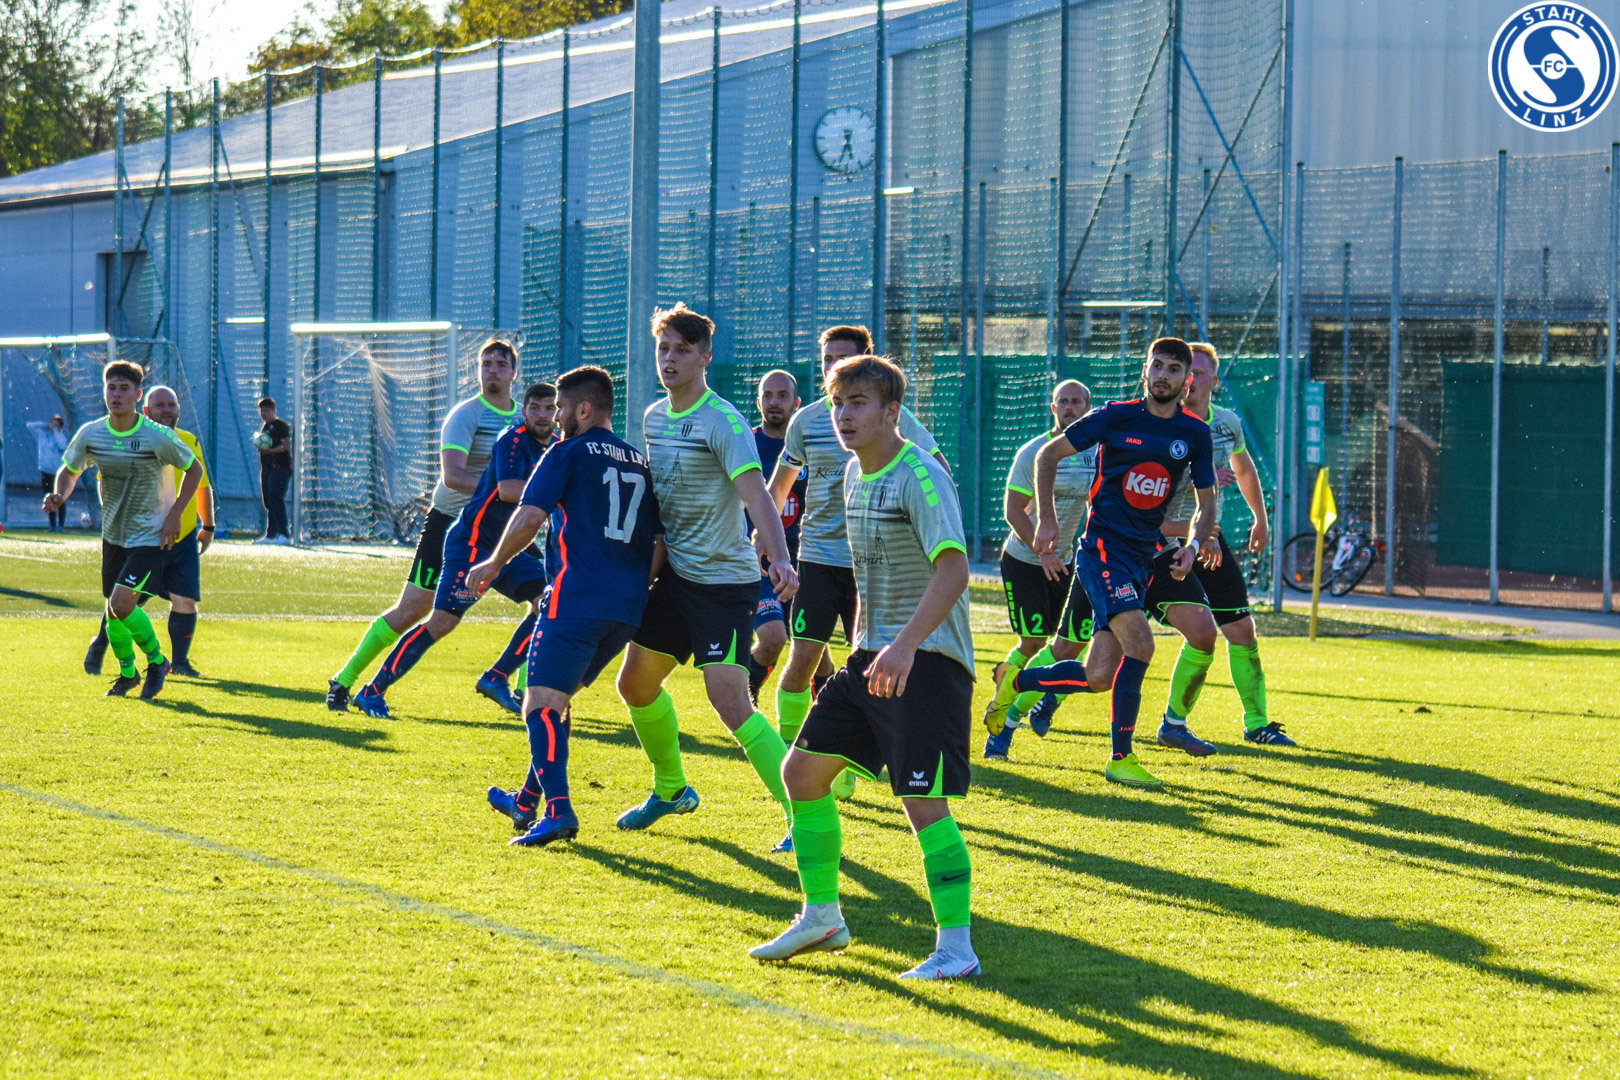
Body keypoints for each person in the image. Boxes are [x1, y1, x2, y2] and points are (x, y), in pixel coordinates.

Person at [750, 354, 979, 980]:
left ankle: (956, 950)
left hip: (927, 661)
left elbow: (954, 570)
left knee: (923, 804)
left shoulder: (920, 474)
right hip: (870, 658)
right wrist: (865, 642)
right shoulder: (853, 473)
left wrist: (902, 646)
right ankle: (822, 916)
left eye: (858, 403)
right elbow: (869, 570)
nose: (843, 415)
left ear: (890, 412)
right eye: (837, 403)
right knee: (801, 774)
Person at [982, 337, 1216, 791]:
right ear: (1145, 371)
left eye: (1173, 369)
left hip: (1145, 556)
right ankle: (1120, 758)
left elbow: (1207, 505)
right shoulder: (1115, 416)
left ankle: (1017, 682)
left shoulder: (1195, 433)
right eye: (1157, 366)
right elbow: (1048, 455)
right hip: (1103, 551)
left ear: (1187, 381)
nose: (1163, 375)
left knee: (1098, 676)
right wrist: (1047, 519)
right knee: (1141, 645)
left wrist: (1191, 546)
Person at [612, 303, 799, 843]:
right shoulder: (653, 417)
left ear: (705, 358)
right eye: (663, 348)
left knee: (731, 702)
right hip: (678, 577)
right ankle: (672, 789)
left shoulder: (723, 421)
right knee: (635, 685)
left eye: (682, 349)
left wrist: (779, 557)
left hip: (723, 581)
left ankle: (805, 816)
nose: (669, 358)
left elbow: (757, 495)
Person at [475, 366, 664, 847]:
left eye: (560, 408)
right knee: (558, 700)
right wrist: (635, 586)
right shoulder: (639, 462)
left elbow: (529, 516)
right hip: (627, 606)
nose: (556, 418)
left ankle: (558, 812)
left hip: (576, 596)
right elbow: (659, 541)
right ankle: (525, 802)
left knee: (538, 705)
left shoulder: (565, 452)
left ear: (583, 409)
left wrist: (494, 563)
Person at [766, 325, 948, 805]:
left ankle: (843, 766)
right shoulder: (809, 421)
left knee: (864, 663)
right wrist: (765, 539)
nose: (834, 368)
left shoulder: (895, 421)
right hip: (818, 558)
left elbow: (937, 469)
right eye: (827, 359)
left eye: (843, 358)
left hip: (873, 566)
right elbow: (779, 486)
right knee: (802, 659)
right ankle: (792, 757)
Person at [327, 339, 531, 713]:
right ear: (478, 371)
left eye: (501, 364)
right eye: (486, 363)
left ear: (514, 373)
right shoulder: (466, 415)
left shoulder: (525, 419)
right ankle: (344, 680)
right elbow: (453, 476)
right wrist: (502, 491)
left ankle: (523, 690)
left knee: (547, 596)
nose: (493, 370)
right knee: (414, 609)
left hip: (503, 527)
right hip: (451, 525)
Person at [351, 382, 557, 719]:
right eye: (535, 408)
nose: (542, 415)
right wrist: (560, 492)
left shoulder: (558, 446)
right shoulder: (513, 438)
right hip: (472, 542)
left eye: (549, 409)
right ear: (524, 411)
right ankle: (371, 691)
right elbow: (508, 490)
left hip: (506, 548)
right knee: (443, 620)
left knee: (547, 601)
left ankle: (496, 677)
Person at [1156, 342, 1293, 747]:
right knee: (1090, 642)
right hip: (1157, 541)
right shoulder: (1161, 423)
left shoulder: (1227, 423)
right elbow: (1150, 485)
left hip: (1205, 536)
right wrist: (1204, 480)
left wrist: (1260, 518)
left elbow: (1244, 469)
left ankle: (1256, 724)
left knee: (1241, 629)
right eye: (1184, 372)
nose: (1189, 380)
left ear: (1214, 381)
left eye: (1198, 373)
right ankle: (1031, 700)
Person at [44, 361, 204, 699]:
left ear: (137, 395)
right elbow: (70, 470)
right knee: (113, 613)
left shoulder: (156, 436)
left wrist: (175, 514)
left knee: (120, 605)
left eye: (124, 388)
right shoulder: (92, 433)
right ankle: (128, 674)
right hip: (114, 535)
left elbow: (194, 470)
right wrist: (60, 494)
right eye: (111, 388)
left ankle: (158, 662)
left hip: (150, 536)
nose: (116, 395)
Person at [983, 380, 1095, 760]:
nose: (1069, 407)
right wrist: (1043, 552)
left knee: (1073, 644)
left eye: (1076, 401)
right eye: (1063, 401)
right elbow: (1013, 510)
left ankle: (1046, 699)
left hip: (1068, 561)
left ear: (1088, 408)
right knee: (1033, 643)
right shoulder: (1034, 452)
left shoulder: (1094, 453)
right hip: (1027, 560)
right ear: (1053, 408)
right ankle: (1002, 716)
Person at [83, 386, 215, 678]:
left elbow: (202, 485)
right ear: (146, 410)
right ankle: (100, 643)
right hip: (143, 538)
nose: (167, 410)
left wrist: (208, 526)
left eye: (172, 404)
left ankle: (180, 663)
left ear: (179, 409)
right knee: (124, 601)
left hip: (182, 539)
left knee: (185, 599)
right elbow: (107, 483)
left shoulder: (189, 441)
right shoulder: (128, 441)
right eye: (159, 405)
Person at [746, 369, 807, 704]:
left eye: (782, 396)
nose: (774, 402)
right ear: (758, 402)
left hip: (806, 559)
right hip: (759, 559)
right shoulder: (745, 444)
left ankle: (821, 723)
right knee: (773, 639)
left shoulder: (809, 446)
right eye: (767, 395)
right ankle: (745, 693)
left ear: (796, 403)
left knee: (814, 651)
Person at [255, 397, 292, 545]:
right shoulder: (265, 427)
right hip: (267, 468)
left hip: (280, 467)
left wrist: (269, 451)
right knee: (268, 501)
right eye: (262, 411)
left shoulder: (281, 425)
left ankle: (284, 533)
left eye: (267, 410)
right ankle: (271, 534)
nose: (264, 413)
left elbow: (286, 446)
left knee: (275, 497)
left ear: (274, 410)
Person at [27, 415, 68, 531]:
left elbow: (63, 446)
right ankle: (52, 525)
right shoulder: (43, 435)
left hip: (58, 473)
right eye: (52, 424)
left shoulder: (61, 438)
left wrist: (56, 431)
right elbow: (30, 426)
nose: (53, 426)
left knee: (60, 498)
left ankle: (61, 525)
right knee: (48, 499)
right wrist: (46, 425)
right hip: (46, 471)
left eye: (56, 424)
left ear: (60, 427)